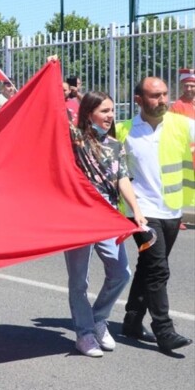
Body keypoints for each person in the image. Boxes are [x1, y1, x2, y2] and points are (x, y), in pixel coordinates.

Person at [64, 91, 147, 357]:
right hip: (78, 217)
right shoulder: (75, 140)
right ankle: (84, 334)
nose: (110, 116)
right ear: (89, 114)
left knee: (121, 272)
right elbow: (51, 113)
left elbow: (122, 178)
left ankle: (98, 319)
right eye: (104, 111)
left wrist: (136, 210)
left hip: (108, 216)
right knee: (79, 281)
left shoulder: (114, 145)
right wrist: (52, 74)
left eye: (111, 110)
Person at [116, 77, 194, 353]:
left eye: (164, 95)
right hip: (140, 213)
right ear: (138, 99)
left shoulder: (182, 125)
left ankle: (132, 321)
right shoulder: (123, 130)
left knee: (149, 266)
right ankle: (165, 330)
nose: (162, 100)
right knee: (159, 268)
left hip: (172, 209)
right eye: (155, 96)